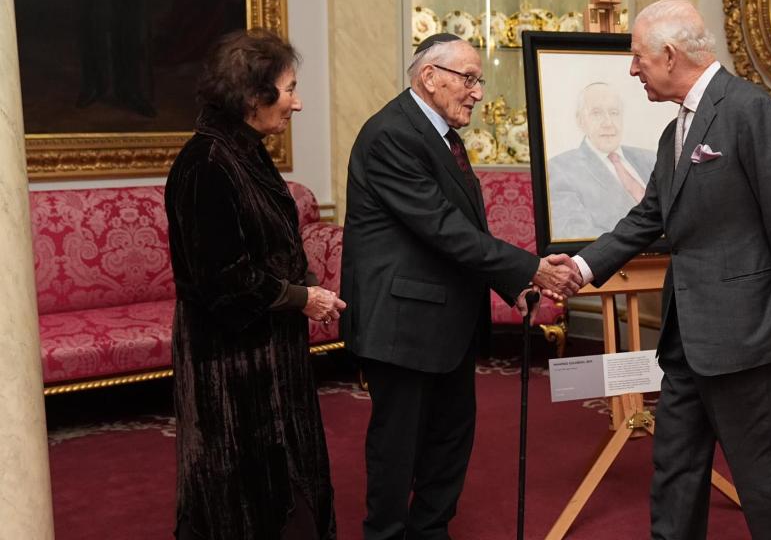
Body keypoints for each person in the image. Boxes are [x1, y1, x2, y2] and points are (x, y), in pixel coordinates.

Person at [566, 0, 771, 539]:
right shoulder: (674, 133)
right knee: (676, 468)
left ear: (668, 55)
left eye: (638, 56)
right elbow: (648, 218)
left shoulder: (752, 111)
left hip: (744, 336)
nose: (632, 68)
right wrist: (578, 267)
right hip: (685, 336)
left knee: (760, 473)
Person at [342, 32, 581, 540]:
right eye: (468, 79)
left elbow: (463, 230)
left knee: (450, 442)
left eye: (478, 80)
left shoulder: (442, 136)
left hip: (446, 321)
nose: (477, 92)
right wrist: (531, 269)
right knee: (398, 449)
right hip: (401, 325)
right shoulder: (391, 134)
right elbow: (441, 228)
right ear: (429, 77)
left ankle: (431, 532)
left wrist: (508, 284)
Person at [164, 29, 345, 540]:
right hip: (229, 364)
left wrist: (309, 286)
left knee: (287, 480)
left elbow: (278, 242)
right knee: (238, 491)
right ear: (251, 95)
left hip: (269, 352)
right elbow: (226, 281)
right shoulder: (205, 164)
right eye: (289, 89)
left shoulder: (246, 151)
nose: (298, 103)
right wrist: (302, 299)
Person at [547, 82, 657, 239]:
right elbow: (574, 233)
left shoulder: (650, 159)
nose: (608, 123)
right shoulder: (559, 169)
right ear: (580, 121)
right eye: (596, 113)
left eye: (614, 112)